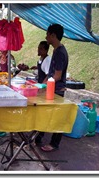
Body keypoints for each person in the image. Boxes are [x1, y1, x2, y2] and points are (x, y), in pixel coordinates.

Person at [35, 24, 69, 152]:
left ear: (53, 35)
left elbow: (57, 76)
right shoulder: (56, 50)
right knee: (46, 115)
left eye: (47, 34)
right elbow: (50, 73)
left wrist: (44, 85)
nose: (46, 37)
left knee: (56, 118)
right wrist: (40, 85)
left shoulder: (60, 52)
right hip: (51, 88)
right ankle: (38, 136)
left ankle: (54, 143)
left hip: (57, 90)